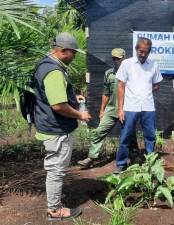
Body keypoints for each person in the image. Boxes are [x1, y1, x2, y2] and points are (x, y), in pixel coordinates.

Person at [33, 32, 91, 220]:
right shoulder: (54, 71)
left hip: (49, 124)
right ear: (62, 50)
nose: (73, 57)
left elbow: (49, 95)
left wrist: (73, 98)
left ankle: (54, 202)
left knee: (55, 169)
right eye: (72, 53)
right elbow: (57, 105)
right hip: (56, 129)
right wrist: (80, 114)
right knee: (56, 170)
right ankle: (54, 210)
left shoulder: (46, 63)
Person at [77, 48, 138, 168]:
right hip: (111, 109)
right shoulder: (109, 73)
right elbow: (106, 93)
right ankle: (91, 157)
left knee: (129, 134)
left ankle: (134, 157)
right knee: (99, 131)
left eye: (118, 58)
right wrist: (102, 110)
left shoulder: (132, 73)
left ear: (124, 58)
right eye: (114, 58)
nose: (116, 61)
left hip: (126, 109)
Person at [115, 37, 163, 173]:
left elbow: (157, 84)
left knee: (150, 136)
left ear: (149, 52)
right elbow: (120, 86)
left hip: (148, 107)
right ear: (136, 49)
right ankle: (121, 164)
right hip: (130, 107)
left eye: (146, 52)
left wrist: (147, 91)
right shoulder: (127, 64)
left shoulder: (154, 65)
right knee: (125, 136)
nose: (143, 54)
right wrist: (120, 109)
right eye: (141, 51)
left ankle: (150, 163)